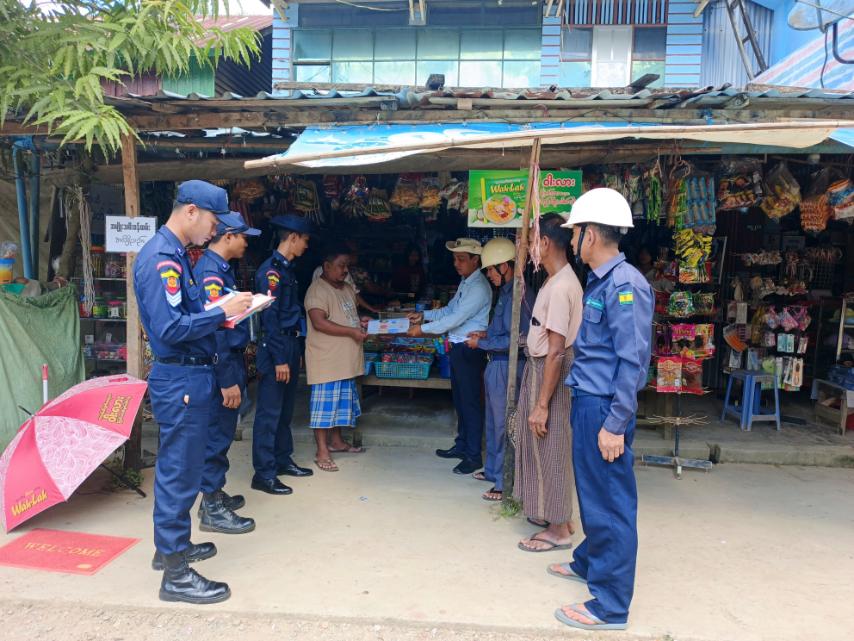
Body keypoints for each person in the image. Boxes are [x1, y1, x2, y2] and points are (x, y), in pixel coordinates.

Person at [135, 180, 253, 604]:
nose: (215, 230)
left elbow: (185, 314)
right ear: (190, 211)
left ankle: (173, 549)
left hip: (190, 376)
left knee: (182, 469)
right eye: (212, 222)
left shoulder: (179, 255)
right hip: (181, 379)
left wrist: (223, 310)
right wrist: (220, 313)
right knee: (179, 473)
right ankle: (176, 575)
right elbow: (169, 328)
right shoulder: (161, 259)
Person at [549, 188, 653, 632]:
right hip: (589, 402)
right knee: (593, 494)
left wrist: (615, 424)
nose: (572, 240)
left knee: (610, 504)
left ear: (590, 234)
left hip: (606, 409)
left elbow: (633, 361)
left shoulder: (625, 285)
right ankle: (590, 561)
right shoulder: (600, 279)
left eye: (575, 233)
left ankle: (610, 606)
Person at [514, 214, 583, 553]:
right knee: (546, 446)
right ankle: (557, 517)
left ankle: (558, 529)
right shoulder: (557, 281)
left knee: (551, 446)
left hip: (549, 371)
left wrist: (542, 404)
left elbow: (555, 351)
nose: (528, 248)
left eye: (531, 242)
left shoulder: (560, 287)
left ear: (544, 243)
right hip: (544, 368)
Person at [194, 212, 260, 535]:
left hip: (229, 360)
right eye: (244, 236)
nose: (247, 243)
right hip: (221, 363)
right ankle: (211, 508)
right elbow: (215, 330)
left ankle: (214, 494)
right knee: (216, 435)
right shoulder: (211, 274)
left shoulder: (220, 269)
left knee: (222, 432)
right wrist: (227, 379)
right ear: (229, 236)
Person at [407, 238, 491, 475]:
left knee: (470, 403)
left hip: (469, 349)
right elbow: (449, 310)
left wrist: (422, 330)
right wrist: (424, 316)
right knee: (461, 401)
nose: (456, 263)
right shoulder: (466, 282)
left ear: (475, 260)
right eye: (455, 259)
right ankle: (462, 445)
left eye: (461, 259)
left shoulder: (478, 287)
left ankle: (473, 456)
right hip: (458, 348)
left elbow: (454, 319)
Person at [465, 237, 532, 502]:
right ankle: (493, 470)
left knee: (505, 424)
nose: (489, 275)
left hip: (508, 366)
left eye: (491, 270)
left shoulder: (520, 295)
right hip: (496, 365)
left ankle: (504, 482)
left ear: (505, 266)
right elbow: (504, 331)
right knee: (493, 422)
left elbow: (520, 338)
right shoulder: (505, 293)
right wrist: (486, 334)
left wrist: (482, 343)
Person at [251, 214, 314, 496]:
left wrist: (294, 350)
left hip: (289, 343)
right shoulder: (271, 273)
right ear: (293, 238)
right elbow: (270, 318)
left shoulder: (287, 270)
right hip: (275, 346)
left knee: (285, 410)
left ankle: (282, 459)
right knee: (269, 413)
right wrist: (279, 359)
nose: (306, 246)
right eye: (305, 240)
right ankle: (264, 474)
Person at [304, 244, 368, 472]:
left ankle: (337, 442)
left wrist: (361, 322)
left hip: (344, 361)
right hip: (327, 361)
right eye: (341, 266)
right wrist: (352, 331)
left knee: (339, 406)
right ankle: (322, 451)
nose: (345, 270)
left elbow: (349, 316)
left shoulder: (347, 288)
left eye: (347, 266)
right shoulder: (317, 290)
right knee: (323, 410)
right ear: (327, 266)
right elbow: (319, 322)